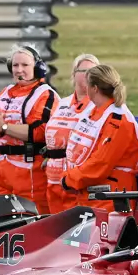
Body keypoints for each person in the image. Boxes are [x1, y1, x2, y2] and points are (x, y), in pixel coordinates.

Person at [0, 44, 58, 214]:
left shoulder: (45, 94)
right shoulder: (6, 92)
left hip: (30, 173)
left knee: (31, 225)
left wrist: (4, 127)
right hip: (0, 171)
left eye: (25, 65)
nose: (19, 70)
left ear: (36, 68)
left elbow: (39, 131)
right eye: (15, 65)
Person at [61, 64, 138, 213]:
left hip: (111, 196)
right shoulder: (95, 111)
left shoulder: (119, 120)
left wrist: (70, 178)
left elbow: (101, 163)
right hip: (91, 192)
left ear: (94, 88)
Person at [43, 53, 99, 214]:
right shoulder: (63, 103)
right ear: (74, 74)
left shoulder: (97, 105)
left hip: (76, 181)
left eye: (94, 71)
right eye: (84, 71)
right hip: (53, 179)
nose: (90, 76)